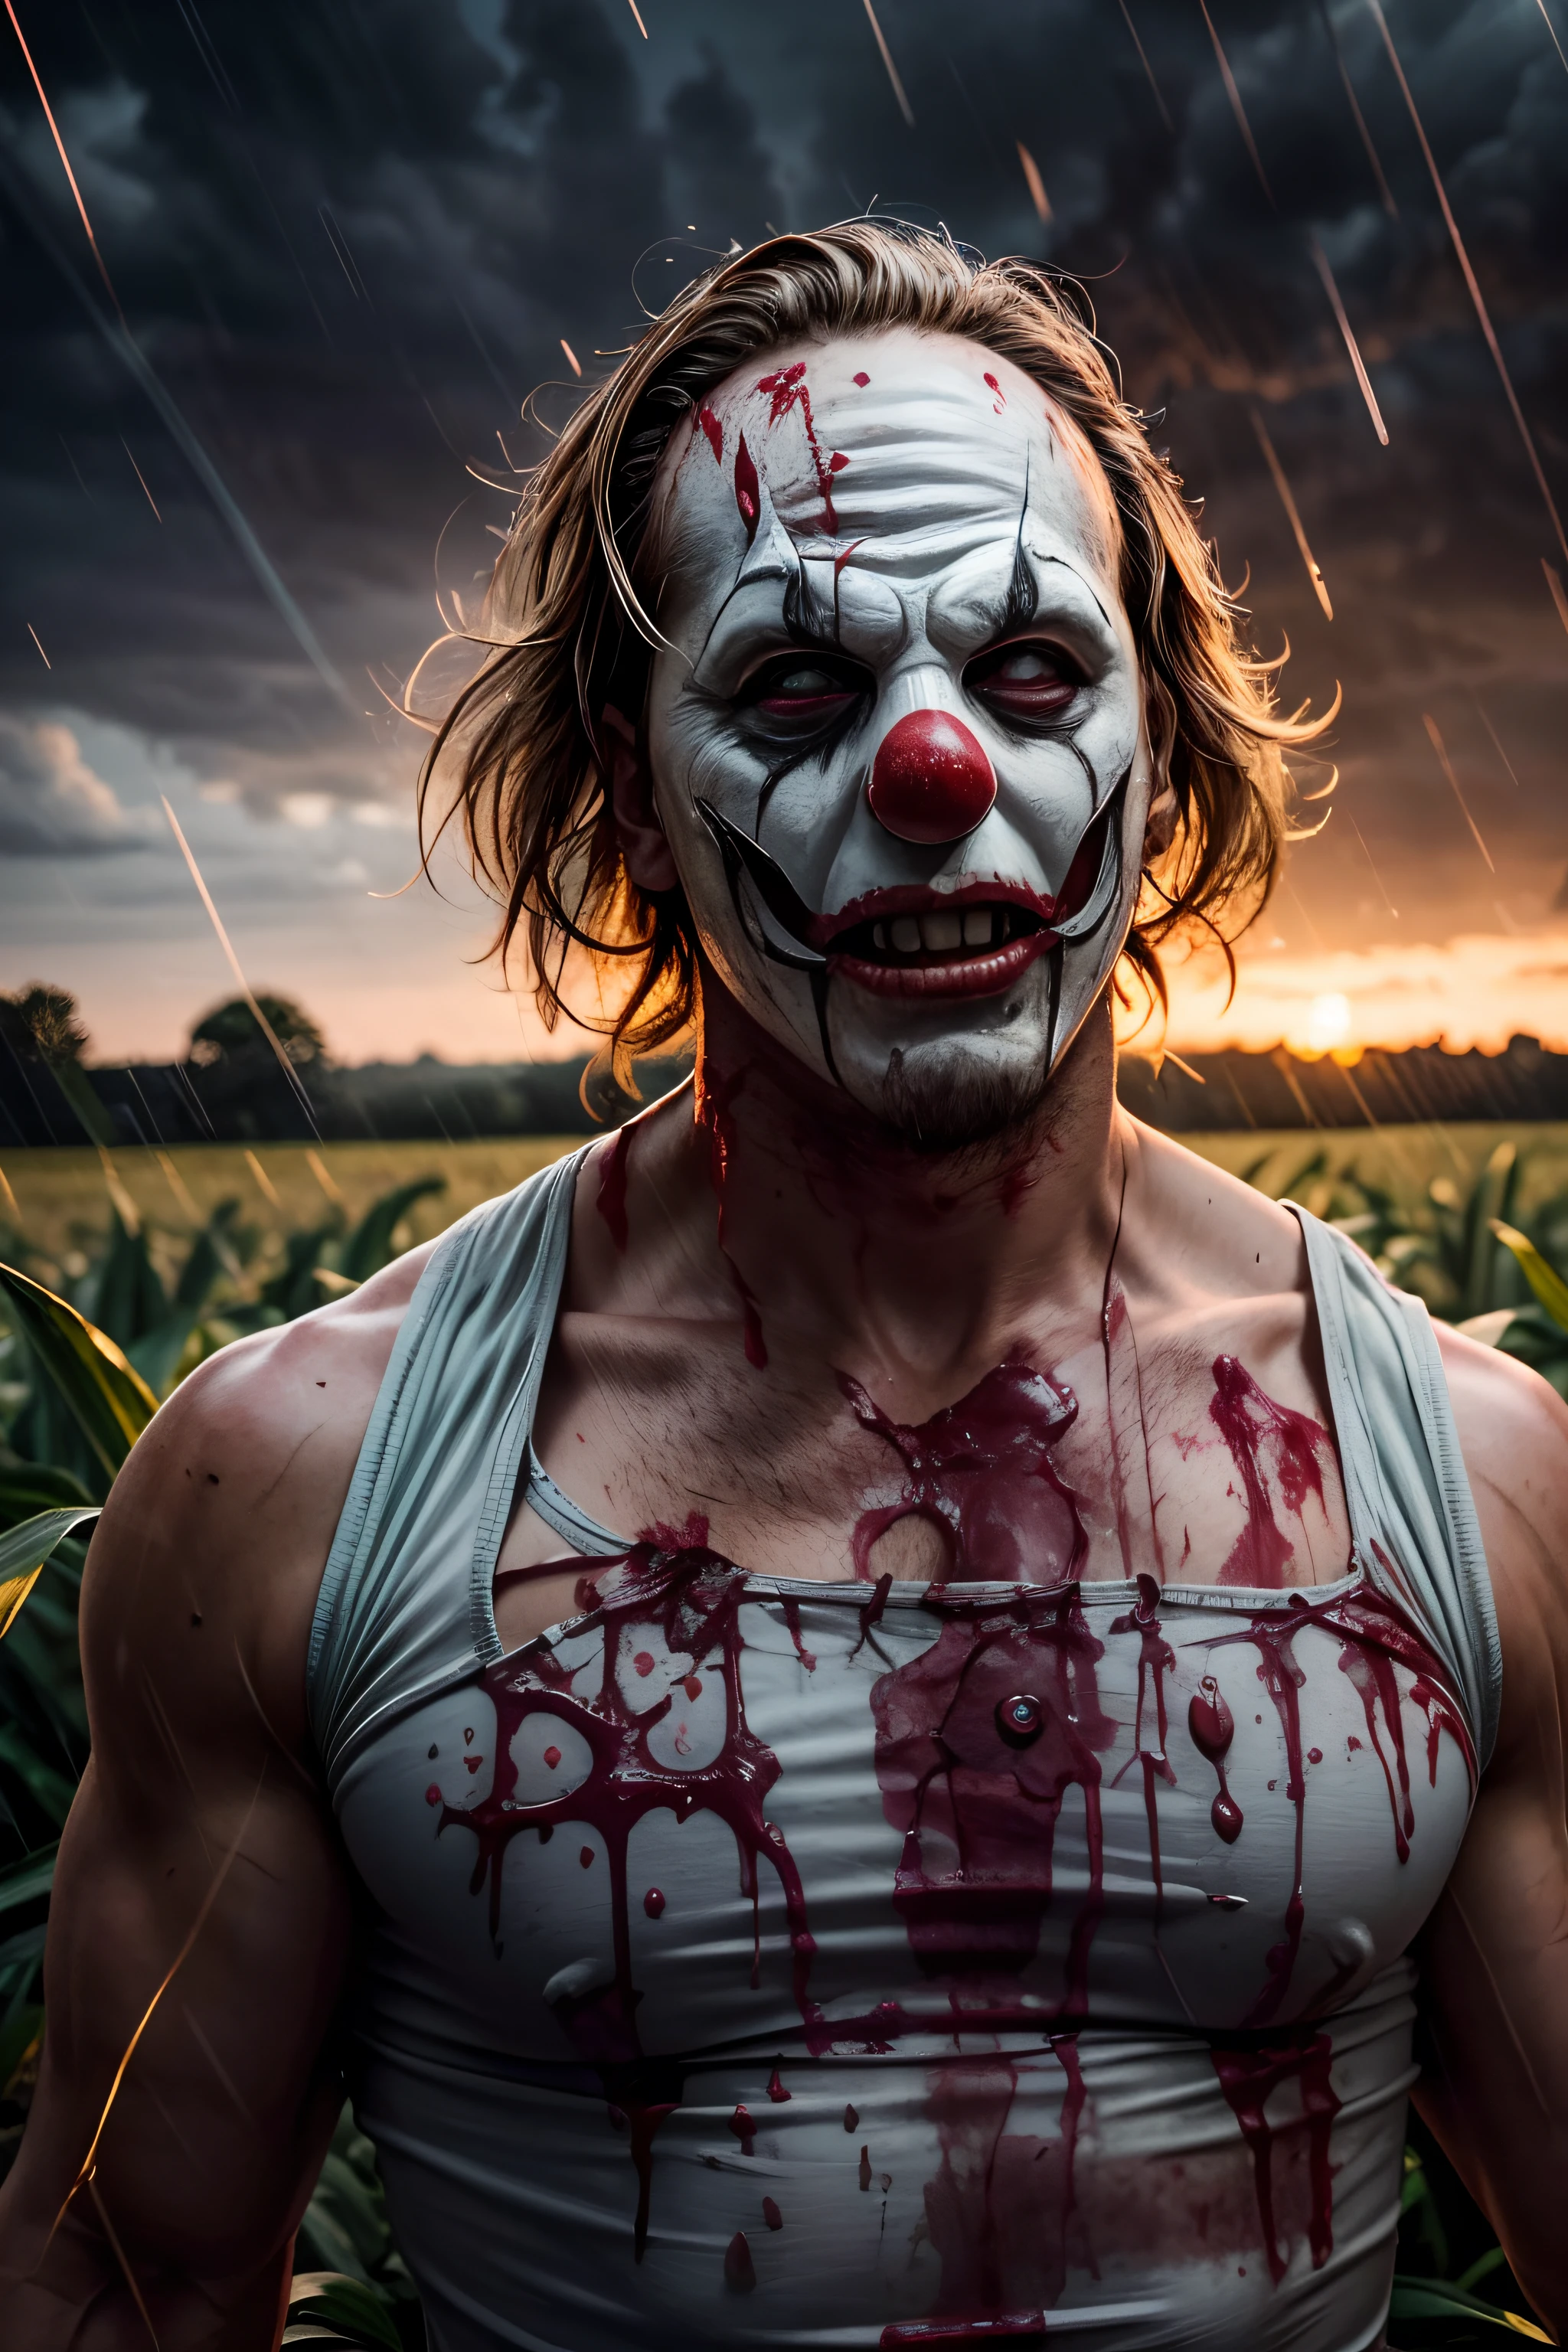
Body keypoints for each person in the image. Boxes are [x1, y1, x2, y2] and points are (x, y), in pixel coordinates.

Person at [2, 221, 1564, 2352]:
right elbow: (124, 2281)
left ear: (1160, 756)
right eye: (797, 684)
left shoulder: (1468, 1489)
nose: (933, 779)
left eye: (1031, 674)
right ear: (633, 796)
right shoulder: (294, 1492)